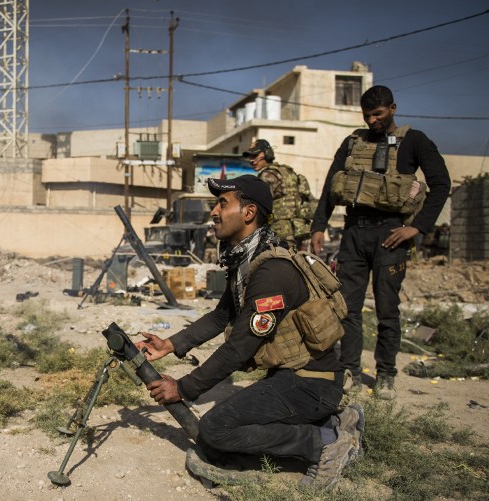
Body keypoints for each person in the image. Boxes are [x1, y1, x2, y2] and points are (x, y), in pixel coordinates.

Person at [137, 175, 363, 490]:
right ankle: (334, 421)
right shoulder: (250, 260)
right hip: (296, 378)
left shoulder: (271, 272)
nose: (214, 212)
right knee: (239, 419)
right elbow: (220, 317)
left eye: (222, 203)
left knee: (216, 429)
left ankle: (325, 442)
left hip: (310, 383)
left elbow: (239, 348)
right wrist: (170, 344)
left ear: (248, 213)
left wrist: (184, 388)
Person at [310, 85, 451, 400]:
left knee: (388, 309)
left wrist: (417, 229)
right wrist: (318, 226)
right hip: (354, 234)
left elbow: (442, 184)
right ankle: (350, 371)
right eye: (367, 115)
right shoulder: (352, 142)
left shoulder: (414, 141)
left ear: (393, 108)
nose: (372, 120)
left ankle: (386, 375)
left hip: (391, 234)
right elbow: (332, 185)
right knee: (348, 307)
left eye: (378, 113)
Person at [243, 139, 317, 249]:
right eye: (250, 157)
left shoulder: (266, 175)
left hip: (280, 232)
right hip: (300, 230)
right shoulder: (289, 173)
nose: (251, 160)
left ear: (267, 154)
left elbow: (259, 206)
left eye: (255, 155)